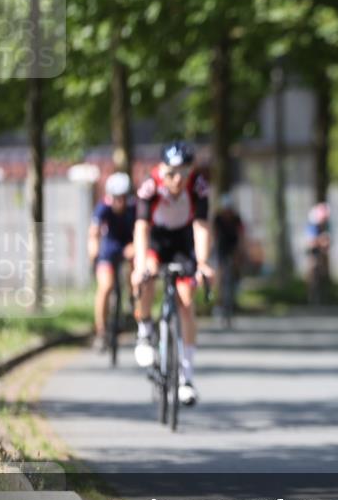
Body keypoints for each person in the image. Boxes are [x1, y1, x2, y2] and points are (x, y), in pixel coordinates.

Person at [131, 140, 214, 406]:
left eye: (183, 173)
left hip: (183, 241)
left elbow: (201, 226)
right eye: (171, 173)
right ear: (162, 169)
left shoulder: (199, 186)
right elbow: (141, 228)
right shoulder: (150, 185)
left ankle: (186, 378)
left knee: (187, 301)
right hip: (156, 239)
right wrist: (140, 265)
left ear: (190, 171)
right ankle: (144, 329)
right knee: (147, 275)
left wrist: (202, 262)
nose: (177, 180)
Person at [87, 172, 136, 352]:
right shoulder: (103, 208)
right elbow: (93, 233)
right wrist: (93, 254)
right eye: (116, 198)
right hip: (108, 250)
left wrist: (136, 247)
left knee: (136, 262)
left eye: (123, 198)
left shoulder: (134, 207)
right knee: (105, 287)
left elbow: (143, 229)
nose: (120, 202)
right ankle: (101, 332)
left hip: (129, 246)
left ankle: (133, 300)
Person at [213, 194, 245, 321]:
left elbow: (241, 235)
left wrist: (241, 251)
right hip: (221, 247)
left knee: (235, 270)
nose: (228, 213)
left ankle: (234, 298)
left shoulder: (237, 219)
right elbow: (213, 233)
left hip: (233, 247)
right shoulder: (218, 219)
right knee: (220, 274)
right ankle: (219, 301)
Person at [306, 201, 331, 304]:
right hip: (313, 254)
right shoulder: (313, 225)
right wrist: (321, 241)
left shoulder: (326, 225)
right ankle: (312, 298)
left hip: (321, 254)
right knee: (313, 274)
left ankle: (322, 297)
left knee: (322, 274)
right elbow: (311, 242)